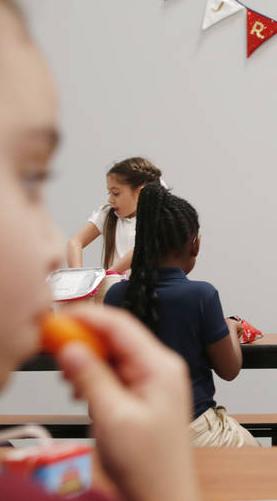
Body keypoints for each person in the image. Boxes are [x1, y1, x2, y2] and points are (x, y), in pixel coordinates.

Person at [0, 0, 206, 501]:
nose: (48, 243)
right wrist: (162, 500)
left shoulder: (148, 224)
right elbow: (72, 246)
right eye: (26, 177)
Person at [105, 183, 258, 447]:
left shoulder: (115, 297)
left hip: (131, 436)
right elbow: (229, 369)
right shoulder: (201, 296)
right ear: (195, 245)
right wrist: (230, 327)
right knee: (265, 467)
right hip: (192, 433)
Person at [66, 157, 163, 275]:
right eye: (109, 193)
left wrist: (108, 274)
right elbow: (74, 243)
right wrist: (76, 278)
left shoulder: (159, 218)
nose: (110, 199)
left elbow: (140, 249)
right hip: (114, 289)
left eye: (116, 193)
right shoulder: (107, 214)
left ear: (141, 192)